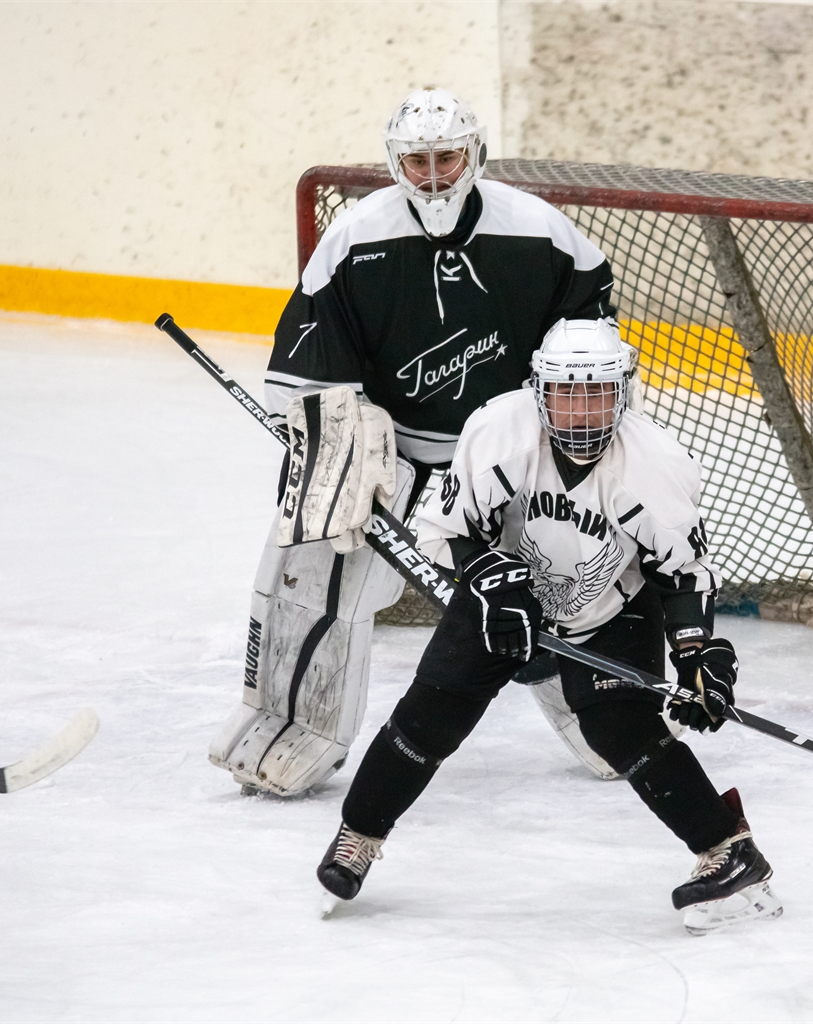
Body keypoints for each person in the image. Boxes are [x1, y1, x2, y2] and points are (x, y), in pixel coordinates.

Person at [208, 87, 625, 797]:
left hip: (503, 449)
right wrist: (331, 439)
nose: (433, 174)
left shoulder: (543, 233)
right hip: (392, 445)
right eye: (418, 159)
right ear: (396, 162)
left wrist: (544, 443)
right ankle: (296, 725)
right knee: (311, 564)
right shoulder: (356, 235)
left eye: (447, 156)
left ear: (475, 154)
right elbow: (309, 361)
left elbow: (584, 355)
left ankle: (614, 722)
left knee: (558, 581)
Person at [313, 319, 781, 934]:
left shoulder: (655, 465)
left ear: (625, 392)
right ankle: (359, 837)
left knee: (621, 730)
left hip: (611, 608)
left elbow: (682, 573)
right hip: (505, 596)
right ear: (539, 390)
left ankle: (729, 850)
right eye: (566, 394)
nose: (582, 413)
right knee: (432, 711)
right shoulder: (499, 431)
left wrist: (696, 655)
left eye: (597, 395)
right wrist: (488, 578)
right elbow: (457, 531)